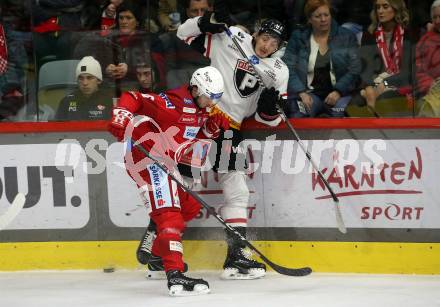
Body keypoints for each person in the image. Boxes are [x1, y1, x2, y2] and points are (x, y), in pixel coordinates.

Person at [173, 13, 288, 279]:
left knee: (237, 192)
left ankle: (236, 257)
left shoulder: (280, 71)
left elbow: (269, 121)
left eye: (275, 43)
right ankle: (158, 246)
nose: (268, 45)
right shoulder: (232, 37)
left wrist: (269, 109)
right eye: (266, 37)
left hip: (230, 130)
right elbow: (183, 33)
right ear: (257, 33)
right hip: (202, 118)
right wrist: (206, 21)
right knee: (183, 184)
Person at [108, 66, 229, 296]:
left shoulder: (202, 110)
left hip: (166, 161)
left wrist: (210, 130)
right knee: (169, 214)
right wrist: (122, 116)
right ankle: (174, 274)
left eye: (217, 98)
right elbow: (133, 97)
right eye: (209, 97)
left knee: (189, 207)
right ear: (194, 89)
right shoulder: (173, 103)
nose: (212, 103)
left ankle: (157, 256)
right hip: (146, 159)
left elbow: (190, 140)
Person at [282, 0, 361, 118]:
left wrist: (338, 91)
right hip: (309, 94)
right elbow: (288, 67)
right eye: (318, 16)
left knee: (340, 115)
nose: (323, 19)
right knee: (299, 114)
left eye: (326, 15)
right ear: (309, 19)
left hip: (340, 95)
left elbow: (355, 69)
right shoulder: (298, 37)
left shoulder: (346, 36)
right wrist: (301, 92)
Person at [356, 0, 414, 115]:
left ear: (396, 9)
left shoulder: (409, 33)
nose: (380, 11)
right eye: (378, 7)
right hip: (375, 83)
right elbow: (365, 67)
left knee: (384, 99)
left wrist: (385, 84)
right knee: (356, 102)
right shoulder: (369, 34)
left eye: (385, 7)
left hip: (400, 82)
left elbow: (410, 71)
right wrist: (368, 88)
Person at [55, 56, 113, 120]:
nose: (85, 83)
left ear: (99, 80)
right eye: (81, 78)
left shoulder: (110, 101)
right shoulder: (67, 102)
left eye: (89, 78)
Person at [416, 0, 440, 117]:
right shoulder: (425, 41)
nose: (437, 21)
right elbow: (420, 72)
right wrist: (431, 86)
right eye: (435, 17)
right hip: (434, 93)